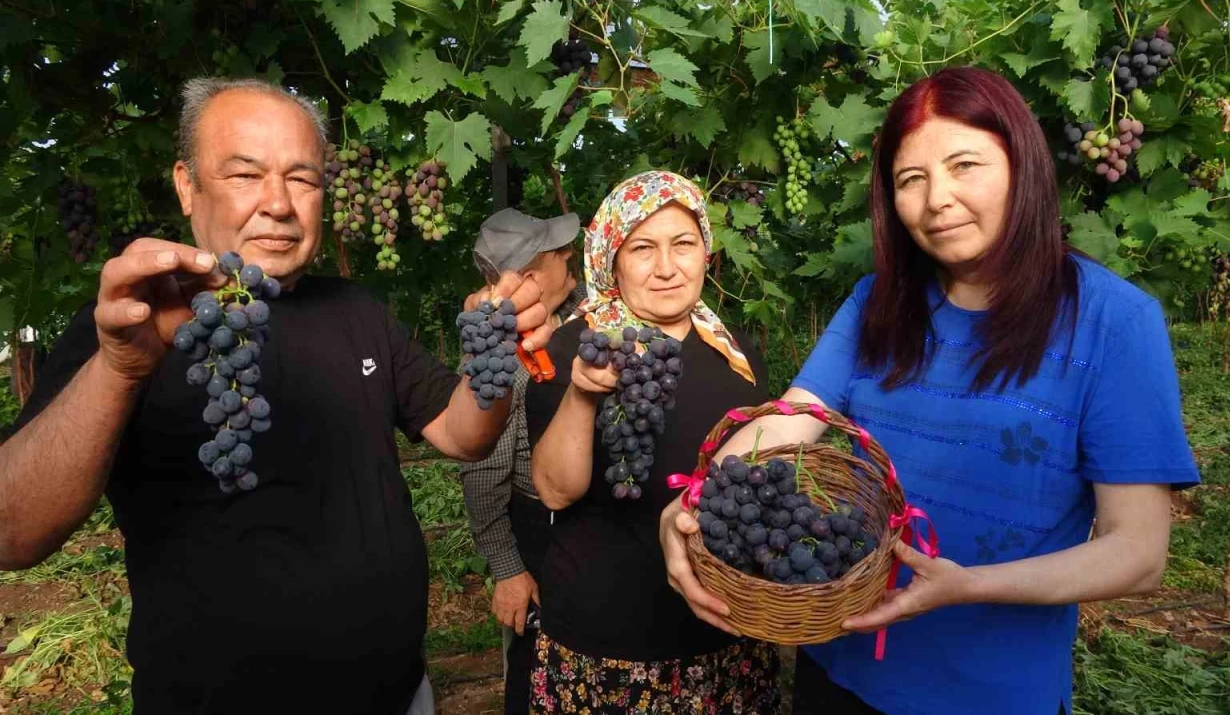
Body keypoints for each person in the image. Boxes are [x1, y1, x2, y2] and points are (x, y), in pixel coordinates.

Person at [0, 77, 553, 715]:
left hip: (399, 698)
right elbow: (14, 536)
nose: (279, 204)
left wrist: (493, 352)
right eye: (244, 174)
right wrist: (121, 369)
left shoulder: (358, 312)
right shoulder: (127, 328)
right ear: (187, 185)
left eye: (303, 178)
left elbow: (463, 436)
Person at [659, 66, 1200, 715]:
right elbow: (795, 415)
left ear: (1021, 165)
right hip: (837, 670)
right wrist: (696, 500)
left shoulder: (1114, 321)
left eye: (964, 164)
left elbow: (1137, 553)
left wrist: (966, 586)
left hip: (990, 694)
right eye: (910, 179)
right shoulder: (877, 305)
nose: (936, 198)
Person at [522, 170, 780, 713]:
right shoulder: (578, 347)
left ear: (706, 253)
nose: (667, 267)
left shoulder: (735, 353)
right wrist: (582, 395)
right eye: (643, 248)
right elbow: (554, 492)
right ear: (612, 259)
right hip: (611, 645)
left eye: (683, 244)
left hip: (724, 634)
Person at [460, 207, 585, 715]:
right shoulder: (500, 353)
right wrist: (509, 569)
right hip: (539, 534)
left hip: (592, 522)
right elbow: (484, 468)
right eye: (560, 253)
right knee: (538, 675)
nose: (571, 255)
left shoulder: (583, 316)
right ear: (530, 276)